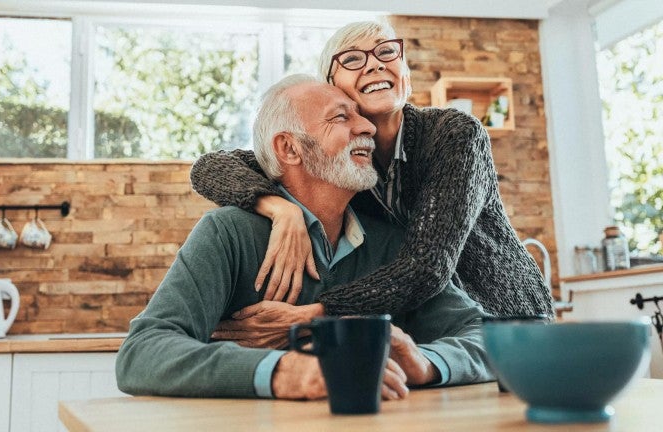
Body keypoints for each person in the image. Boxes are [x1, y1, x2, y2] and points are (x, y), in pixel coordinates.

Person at [115, 75, 493, 400]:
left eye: (361, 116)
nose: (367, 128)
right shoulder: (228, 233)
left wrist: (426, 363)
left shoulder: (392, 243)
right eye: (341, 117)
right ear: (289, 148)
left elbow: (487, 338)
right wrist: (286, 372)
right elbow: (142, 353)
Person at [190, 21, 554, 324]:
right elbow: (211, 166)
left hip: (507, 319)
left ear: (404, 72)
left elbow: (426, 266)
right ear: (332, 87)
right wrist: (278, 208)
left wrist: (317, 312)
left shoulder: (455, 134)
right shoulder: (339, 162)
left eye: (386, 52)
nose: (375, 65)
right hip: (433, 328)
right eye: (351, 59)